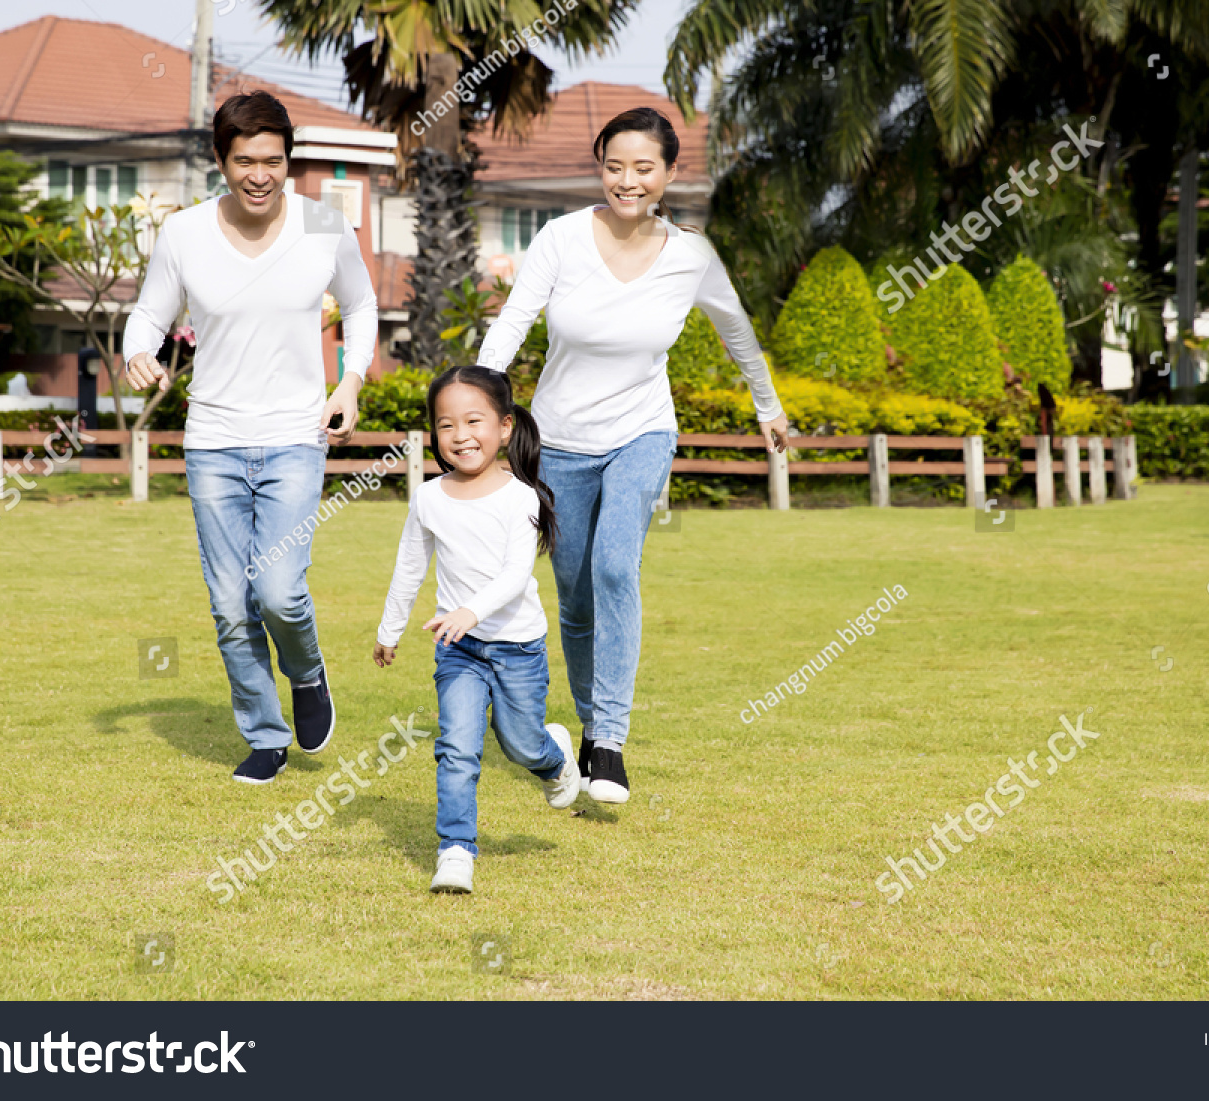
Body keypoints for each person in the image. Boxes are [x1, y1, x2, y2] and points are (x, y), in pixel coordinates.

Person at [475, 107, 790, 804]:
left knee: (616, 566)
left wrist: (767, 406)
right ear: (600, 168)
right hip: (557, 441)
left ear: (670, 174)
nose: (628, 180)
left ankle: (610, 741)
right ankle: (589, 728)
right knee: (577, 597)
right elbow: (512, 325)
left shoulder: (691, 255)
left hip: (642, 433)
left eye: (644, 167)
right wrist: (478, 404)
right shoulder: (560, 240)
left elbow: (737, 333)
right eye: (615, 166)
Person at [123, 91, 378, 784]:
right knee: (230, 604)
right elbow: (148, 314)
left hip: (297, 435)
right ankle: (265, 736)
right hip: (213, 440)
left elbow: (360, 305)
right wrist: (136, 351)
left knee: (278, 591)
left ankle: (307, 670)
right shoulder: (185, 233)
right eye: (245, 161)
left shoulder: (324, 226)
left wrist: (350, 382)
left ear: (288, 160)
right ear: (220, 160)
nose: (260, 175)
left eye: (273, 160)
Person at [373, 367, 578, 894]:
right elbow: (409, 565)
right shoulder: (429, 497)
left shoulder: (520, 497)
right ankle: (456, 850)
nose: (460, 435)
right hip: (458, 650)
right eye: (446, 425)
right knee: (457, 746)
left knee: (521, 746)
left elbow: (515, 575)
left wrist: (471, 610)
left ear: (505, 427)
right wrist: (389, 629)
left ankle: (554, 757)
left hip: (517, 649)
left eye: (473, 420)